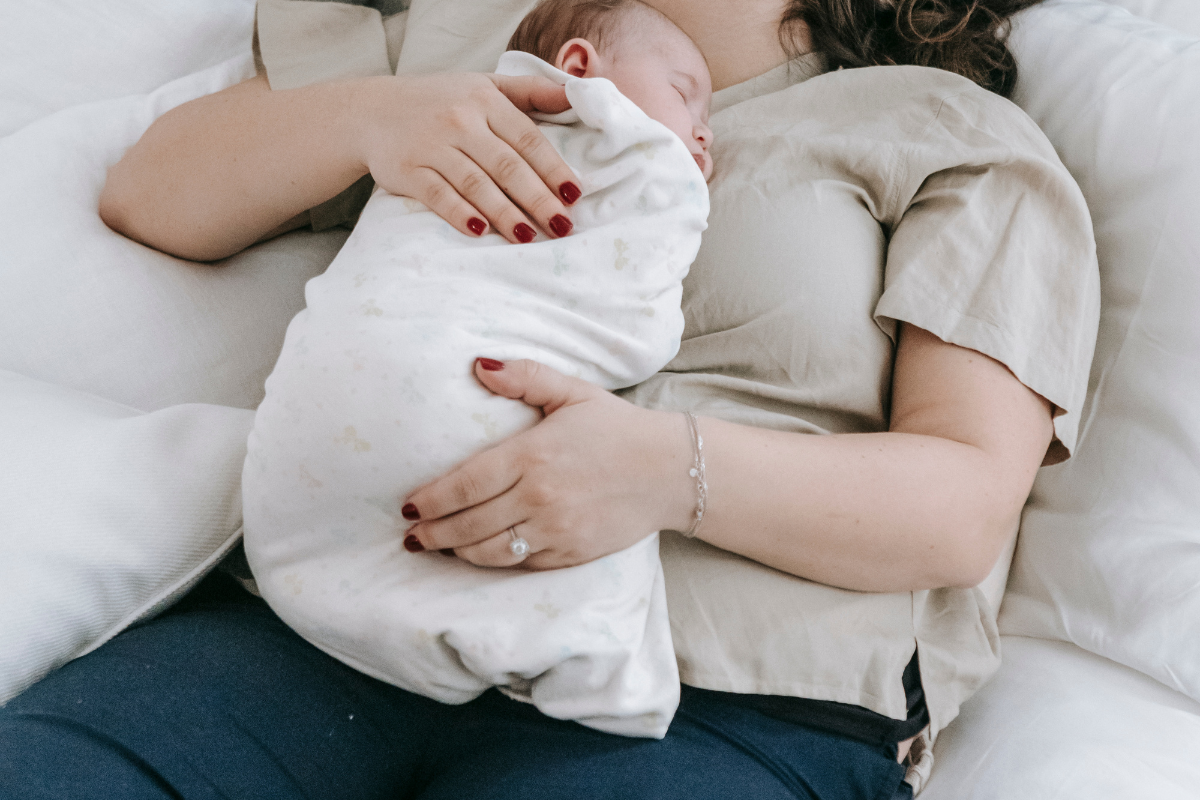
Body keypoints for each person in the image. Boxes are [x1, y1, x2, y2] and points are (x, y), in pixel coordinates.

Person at [1, 0, 1099, 798]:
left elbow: (961, 502)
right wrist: (370, 121)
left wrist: (663, 470)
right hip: (332, 624)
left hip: (706, 708)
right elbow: (152, 195)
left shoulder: (943, 129)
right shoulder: (489, 46)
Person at [242, 0, 713, 739]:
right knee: (601, 627)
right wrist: (368, 117)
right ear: (582, 71)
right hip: (444, 393)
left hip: (314, 441)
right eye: (685, 94)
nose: (705, 128)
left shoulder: (906, 106)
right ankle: (606, 686)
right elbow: (636, 332)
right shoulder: (481, 81)